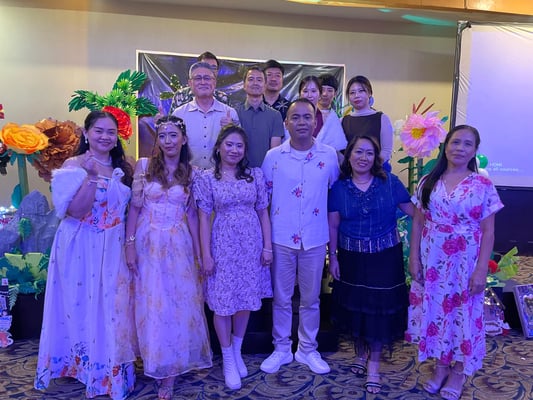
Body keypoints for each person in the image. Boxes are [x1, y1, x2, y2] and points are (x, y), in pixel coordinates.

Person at [35, 110, 137, 400]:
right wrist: (91, 178)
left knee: (113, 308)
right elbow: (76, 211)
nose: (105, 137)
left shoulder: (124, 166)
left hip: (113, 246)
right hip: (81, 246)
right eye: (99, 131)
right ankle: (84, 367)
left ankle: (111, 371)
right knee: (82, 306)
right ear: (86, 133)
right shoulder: (74, 164)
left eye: (111, 132)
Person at [406, 125, 504, 400]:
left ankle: (459, 370)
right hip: (434, 259)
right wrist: (414, 258)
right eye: (455, 142)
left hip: (466, 260)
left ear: (474, 151)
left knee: (463, 313)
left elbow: (488, 231)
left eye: (467, 144)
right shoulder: (428, 181)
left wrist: (481, 269)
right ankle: (440, 367)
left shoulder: (482, 185)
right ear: (446, 145)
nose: (460, 148)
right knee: (437, 311)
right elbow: (418, 222)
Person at [124, 115, 212, 400]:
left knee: (174, 305)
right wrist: (129, 244)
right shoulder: (144, 166)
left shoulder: (193, 173)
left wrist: (200, 254)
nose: (168, 141)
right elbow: (135, 208)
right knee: (149, 302)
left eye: (173, 135)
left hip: (177, 245)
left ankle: (169, 372)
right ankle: (151, 358)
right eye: (163, 136)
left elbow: (193, 216)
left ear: (183, 139)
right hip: (147, 243)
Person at [327, 135, 414, 394]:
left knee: (378, 313)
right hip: (351, 259)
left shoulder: (390, 183)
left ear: (376, 158)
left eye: (369, 153)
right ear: (349, 156)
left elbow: (416, 213)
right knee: (357, 309)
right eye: (358, 152)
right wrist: (333, 257)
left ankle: (373, 364)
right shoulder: (338, 188)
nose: (363, 158)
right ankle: (360, 352)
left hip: (384, 259)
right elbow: (333, 226)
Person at [261, 98, 339, 375]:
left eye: (307, 117)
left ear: (315, 121)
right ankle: (281, 348)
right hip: (281, 237)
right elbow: (264, 199)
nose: (302, 122)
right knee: (281, 298)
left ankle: (307, 349)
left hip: (315, 239)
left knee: (311, 299)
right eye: (296, 117)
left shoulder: (329, 156)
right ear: (286, 123)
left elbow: (333, 193)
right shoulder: (273, 157)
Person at [194, 125, 273, 390]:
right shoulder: (207, 178)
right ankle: (227, 357)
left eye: (239, 146)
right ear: (219, 147)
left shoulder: (255, 176)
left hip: (251, 245)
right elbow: (203, 219)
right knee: (222, 302)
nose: (234, 150)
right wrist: (206, 254)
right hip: (222, 245)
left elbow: (263, 212)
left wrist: (267, 247)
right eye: (229, 144)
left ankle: (237, 351)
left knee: (245, 299)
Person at [173, 61, 239, 169]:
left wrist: (231, 130)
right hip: (187, 175)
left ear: (214, 82)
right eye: (198, 78)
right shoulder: (179, 114)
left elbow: (238, 149)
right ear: (190, 83)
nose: (203, 82)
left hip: (220, 176)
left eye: (207, 78)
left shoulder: (230, 113)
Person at [236, 66, 284, 167]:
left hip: (265, 172)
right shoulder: (234, 113)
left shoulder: (275, 115)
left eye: (259, 80)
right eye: (251, 79)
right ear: (244, 85)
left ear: (265, 85)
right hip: (238, 171)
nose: (255, 83)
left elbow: (275, 152)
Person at [341, 75, 393, 170]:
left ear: (369, 93)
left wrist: (367, 169)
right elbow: (340, 152)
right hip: (350, 173)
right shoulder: (342, 121)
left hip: (376, 171)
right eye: (352, 92)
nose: (356, 95)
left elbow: (386, 150)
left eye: (361, 91)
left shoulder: (382, 118)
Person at [299, 75, 347, 153]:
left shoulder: (335, 119)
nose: (324, 94)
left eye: (330, 90)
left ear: (335, 94)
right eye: (322, 89)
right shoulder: (298, 113)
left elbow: (338, 147)